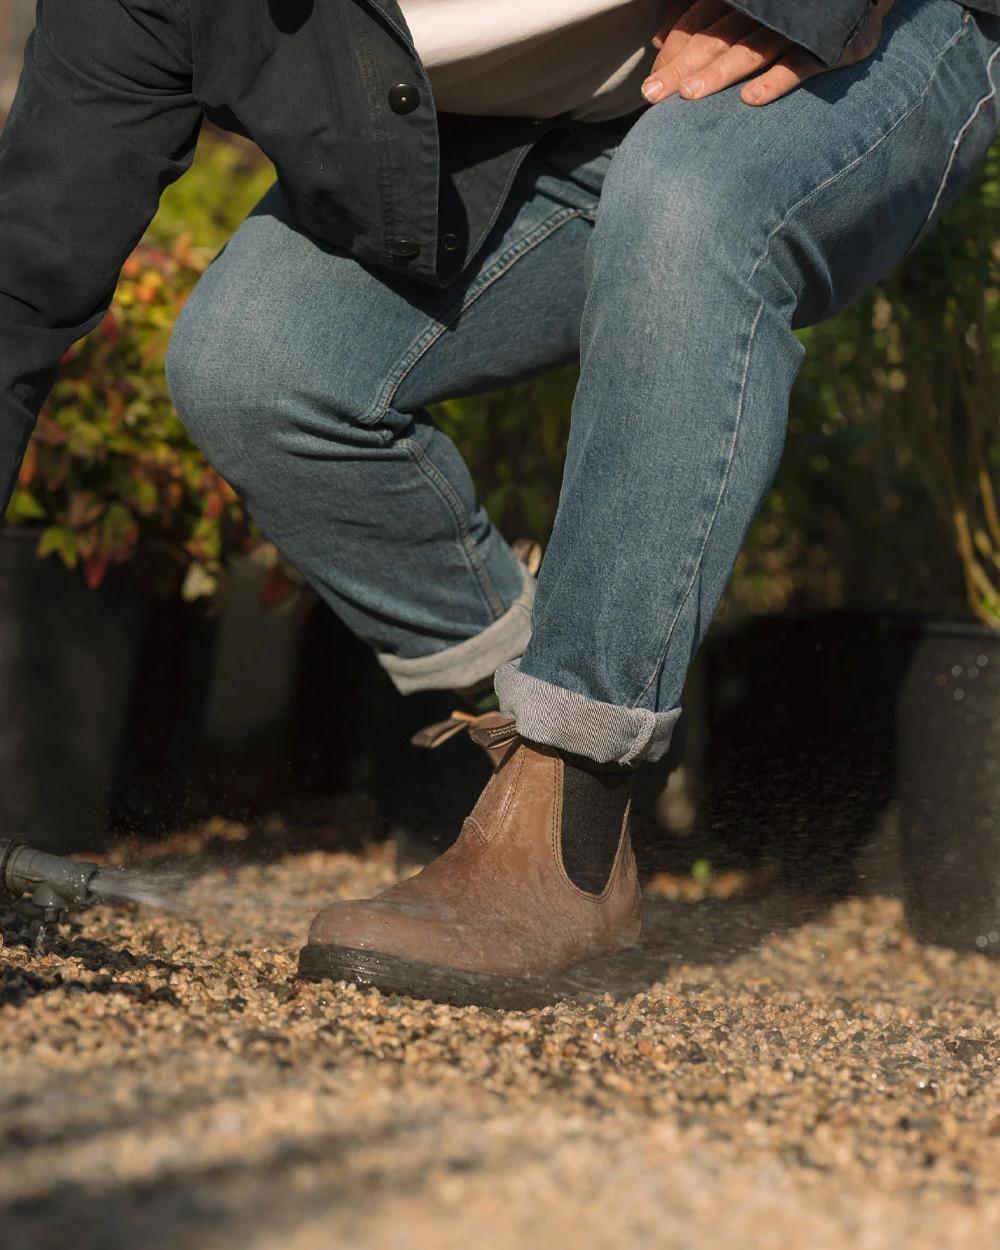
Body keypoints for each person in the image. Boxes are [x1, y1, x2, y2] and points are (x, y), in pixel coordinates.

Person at [1, 1, 998, 1006]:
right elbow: (23, 285)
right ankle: (537, 741)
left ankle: (564, 829)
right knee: (252, 366)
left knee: (690, 199)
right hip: (560, 113)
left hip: (893, 24)